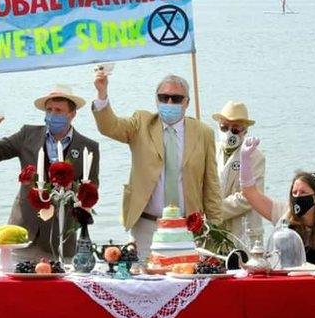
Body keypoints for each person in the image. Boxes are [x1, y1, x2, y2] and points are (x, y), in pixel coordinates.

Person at [92, 67, 221, 258]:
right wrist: (102, 94)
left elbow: (212, 185)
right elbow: (110, 127)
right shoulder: (141, 123)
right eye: (164, 97)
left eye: (176, 98)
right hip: (147, 225)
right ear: (156, 99)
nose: (169, 102)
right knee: (146, 280)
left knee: (187, 277)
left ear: (187, 103)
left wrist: (217, 230)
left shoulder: (203, 133)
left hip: (188, 226)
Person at [0, 85, 99, 261]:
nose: (52, 114)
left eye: (58, 110)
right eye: (49, 110)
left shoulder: (88, 147)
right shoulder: (28, 134)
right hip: (22, 235)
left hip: (61, 239)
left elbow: (91, 190)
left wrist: (70, 191)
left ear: (72, 114)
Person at [237, 137, 315, 283]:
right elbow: (250, 193)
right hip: (285, 286)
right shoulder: (283, 213)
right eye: (294, 193)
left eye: (303, 193)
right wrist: (245, 159)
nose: (298, 197)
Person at [213, 101, 265, 247]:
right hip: (214, 232)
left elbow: (249, 197)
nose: (229, 132)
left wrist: (215, 210)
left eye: (235, 129)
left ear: (245, 130)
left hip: (243, 232)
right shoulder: (209, 152)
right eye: (224, 127)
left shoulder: (255, 156)